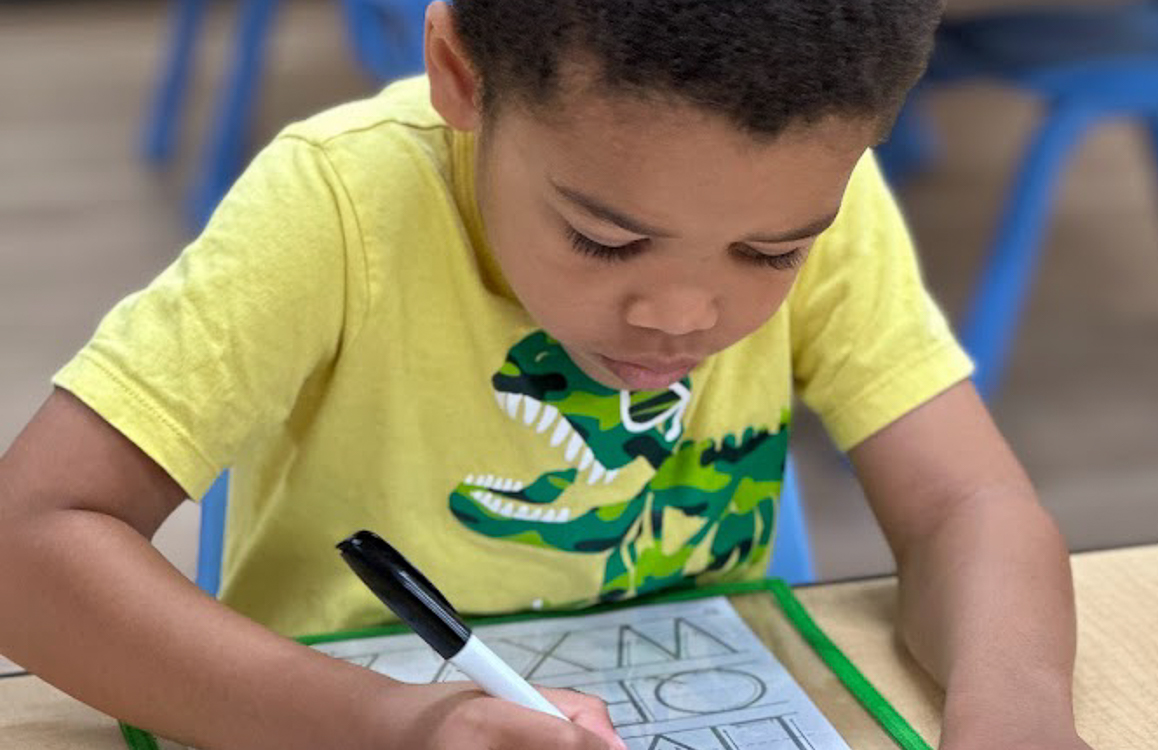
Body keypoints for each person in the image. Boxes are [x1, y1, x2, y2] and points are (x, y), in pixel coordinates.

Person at [0, 1, 1092, 748]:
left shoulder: (820, 208)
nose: (682, 314)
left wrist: (1017, 710)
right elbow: (27, 544)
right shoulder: (339, 206)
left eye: (771, 256)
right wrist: (392, 724)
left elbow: (968, 503)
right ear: (461, 77)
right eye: (607, 241)